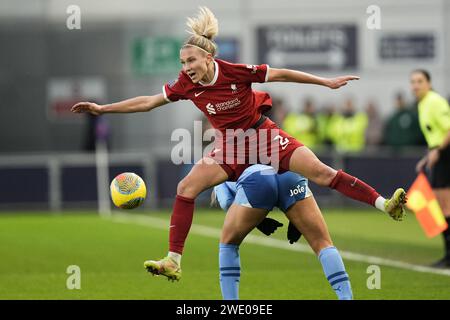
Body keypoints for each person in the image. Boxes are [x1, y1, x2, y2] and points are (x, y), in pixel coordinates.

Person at [71, 7, 407, 281]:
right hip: (230, 146)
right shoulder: (185, 85)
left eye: (191, 62)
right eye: (183, 63)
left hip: (263, 136)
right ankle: (173, 260)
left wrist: (326, 82)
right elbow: (147, 102)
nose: (186, 69)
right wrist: (103, 108)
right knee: (187, 186)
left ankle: (384, 205)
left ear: (208, 59)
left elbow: (283, 74)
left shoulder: (235, 71)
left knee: (321, 172)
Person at [212, 164, 353, 300]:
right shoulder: (270, 145)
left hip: (257, 180)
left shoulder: (220, 172)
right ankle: (346, 297)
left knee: (228, 244)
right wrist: (296, 221)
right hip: (290, 175)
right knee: (322, 243)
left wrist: (259, 222)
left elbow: (226, 202)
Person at [411, 70, 450, 268]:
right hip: (439, 155)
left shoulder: (435, 101)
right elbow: (436, 134)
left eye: (420, 81)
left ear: (429, 83)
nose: (415, 86)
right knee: (441, 208)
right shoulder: (423, 104)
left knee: (445, 207)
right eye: (413, 82)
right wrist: (428, 156)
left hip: (446, 154)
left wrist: (439, 152)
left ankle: (449, 256)